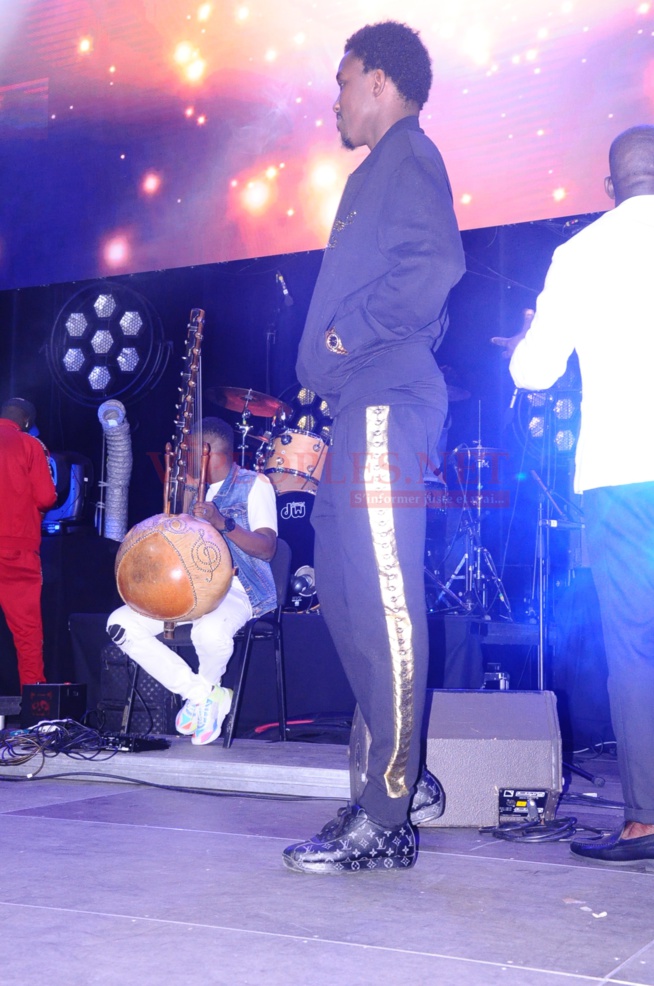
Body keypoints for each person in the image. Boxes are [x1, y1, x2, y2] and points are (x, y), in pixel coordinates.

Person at [285, 21, 466, 873]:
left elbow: (430, 272)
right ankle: (380, 791)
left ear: (382, 83)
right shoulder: (374, 173)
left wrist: (338, 343)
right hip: (361, 405)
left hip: (391, 398)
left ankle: (390, 801)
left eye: (344, 78)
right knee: (351, 601)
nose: (335, 96)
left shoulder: (409, 157)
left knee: (385, 599)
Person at [491, 124, 654, 866]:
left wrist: (528, 338)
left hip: (621, 473)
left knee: (635, 647)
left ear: (609, 187)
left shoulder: (581, 254)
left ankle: (646, 819)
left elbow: (533, 373)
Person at [107, 417, 278, 745]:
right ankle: (202, 695)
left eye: (191, 450)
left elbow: (268, 549)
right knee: (120, 624)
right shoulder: (184, 485)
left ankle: (200, 701)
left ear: (211, 452)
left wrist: (222, 522)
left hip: (238, 588)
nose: (184, 456)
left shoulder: (254, 484)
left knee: (210, 632)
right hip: (184, 587)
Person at [0, 398, 57, 690]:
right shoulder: (30, 445)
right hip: (15, 550)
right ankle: (36, 709)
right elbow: (46, 498)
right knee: (27, 633)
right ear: (26, 422)